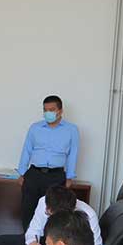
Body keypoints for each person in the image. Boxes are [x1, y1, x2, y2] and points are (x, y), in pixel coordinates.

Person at [18, 95, 79, 231]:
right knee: (28, 208)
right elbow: (26, 150)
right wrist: (22, 173)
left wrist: (69, 177)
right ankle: (28, 239)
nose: (48, 113)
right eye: (45, 110)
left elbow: (73, 154)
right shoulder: (35, 128)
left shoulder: (71, 130)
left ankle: (48, 241)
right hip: (34, 174)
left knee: (53, 211)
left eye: (51, 110)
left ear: (60, 111)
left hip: (56, 176)